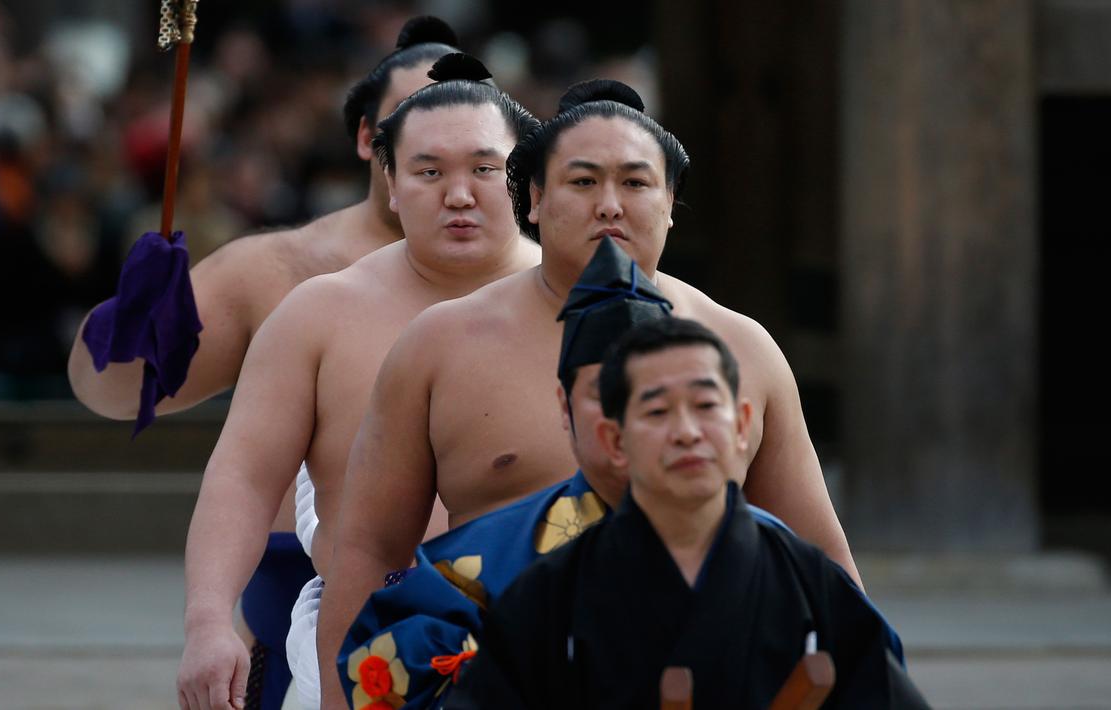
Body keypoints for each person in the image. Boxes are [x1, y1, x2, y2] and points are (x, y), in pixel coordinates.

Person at [319, 79, 859, 708]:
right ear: (534, 200)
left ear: (670, 201)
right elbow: (369, 549)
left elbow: (820, 556)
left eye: (635, 183)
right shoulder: (438, 345)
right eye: (582, 182)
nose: (609, 206)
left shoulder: (744, 348)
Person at [66, 17, 460, 710]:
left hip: (491, 589)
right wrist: (135, 316)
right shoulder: (278, 270)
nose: (438, 140)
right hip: (296, 591)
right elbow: (113, 390)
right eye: (413, 117)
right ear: (368, 139)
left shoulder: (540, 277)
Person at [178, 54, 541, 710]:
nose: (459, 194)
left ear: (528, 179)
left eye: (485, 169)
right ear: (391, 183)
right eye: (429, 171)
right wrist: (207, 621)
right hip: (356, 643)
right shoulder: (318, 313)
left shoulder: (593, 310)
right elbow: (244, 476)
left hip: (544, 645)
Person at [446, 317, 930, 709]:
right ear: (615, 440)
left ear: (741, 424)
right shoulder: (549, 595)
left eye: (705, 405)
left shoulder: (807, 583)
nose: (686, 432)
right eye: (657, 412)